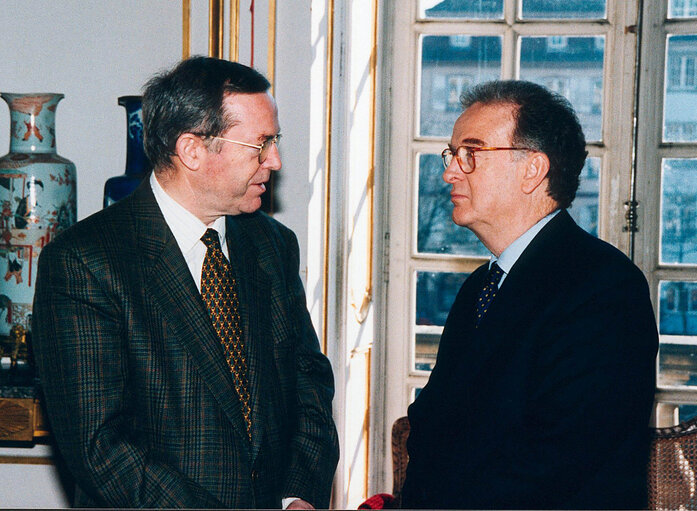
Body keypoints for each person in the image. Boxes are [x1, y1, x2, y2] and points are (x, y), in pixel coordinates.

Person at [32, 56, 339, 509]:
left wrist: (300, 494)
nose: (275, 160)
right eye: (260, 144)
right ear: (192, 150)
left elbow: (309, 382)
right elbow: (101, 447)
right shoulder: (86, 261)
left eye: (275, 141)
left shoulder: (273, 245)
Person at [400, 80, 658, 510]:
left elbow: (558, 462)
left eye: (471, 153)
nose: (449, 171)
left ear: (532, 170)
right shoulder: (480, 286)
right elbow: (429, 426)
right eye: (452, 154)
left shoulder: (604, 288)